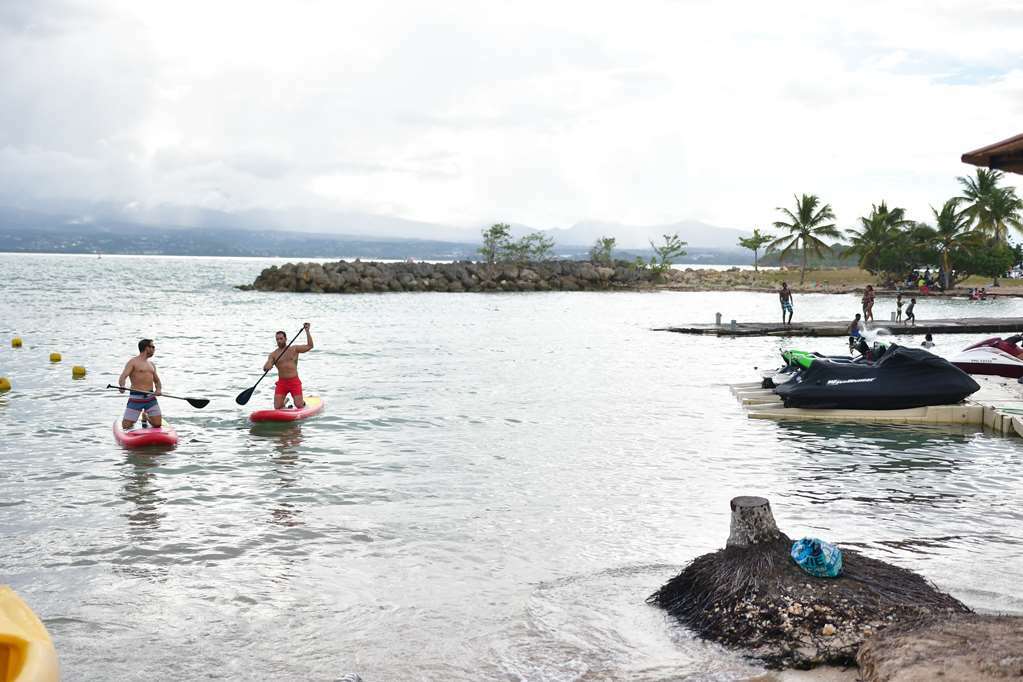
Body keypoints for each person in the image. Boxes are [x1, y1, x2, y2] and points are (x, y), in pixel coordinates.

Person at [265, 323, 314, 409]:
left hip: (294, 381)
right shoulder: (273, 354)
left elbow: (310, 346)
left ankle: (304, 403)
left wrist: (307, 331)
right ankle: (284, 401)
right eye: (277, 339)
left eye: (281, 338)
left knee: (298, 405)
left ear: (285, 339)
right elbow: (267, 364)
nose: (279, 341)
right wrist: (267, 366)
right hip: (282, 383)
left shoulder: (294, 349)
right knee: (277, 407)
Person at [118, 338, 162, 430]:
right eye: (153, 347)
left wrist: (158, 390)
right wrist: (122, 386)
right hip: (136, 398)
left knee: (157, 424)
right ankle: (141, 416)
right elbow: (123, 376)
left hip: (150, 398)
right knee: (126, 427)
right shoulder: (133, 362)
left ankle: (145, 417)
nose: (154, 349)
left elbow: (157, 381)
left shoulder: (151, 364)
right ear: (146, 348)